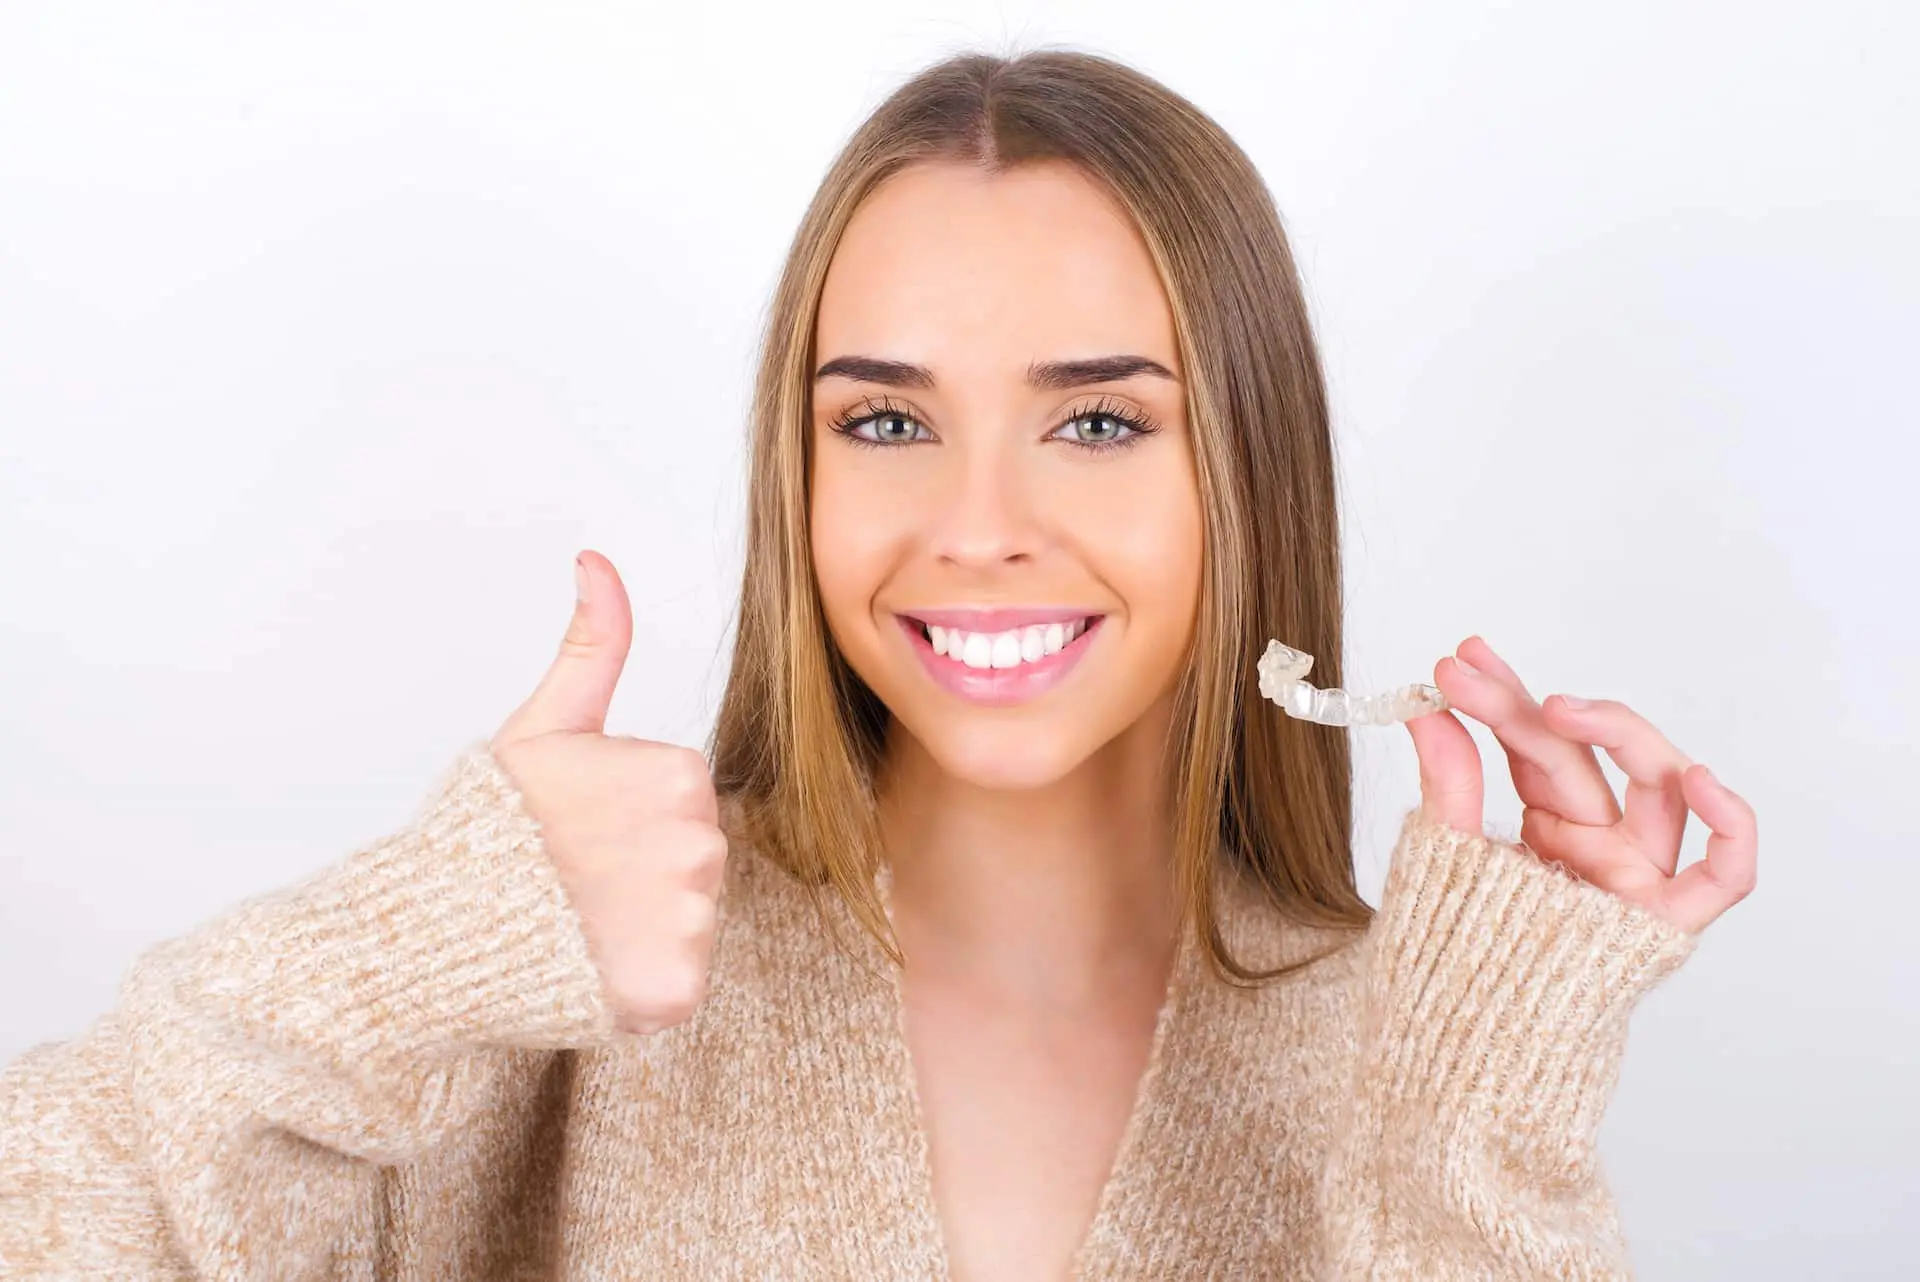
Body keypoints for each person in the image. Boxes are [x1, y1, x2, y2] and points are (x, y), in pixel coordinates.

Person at [0, 47, 1757, 1280]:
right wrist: (409, 947)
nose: (977, 522)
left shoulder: (1397, 1054)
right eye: (890, 418)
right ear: (802, 468)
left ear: (1248, 469)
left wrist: (1486, 1084)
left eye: (1092, 418)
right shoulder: (548, 1000)